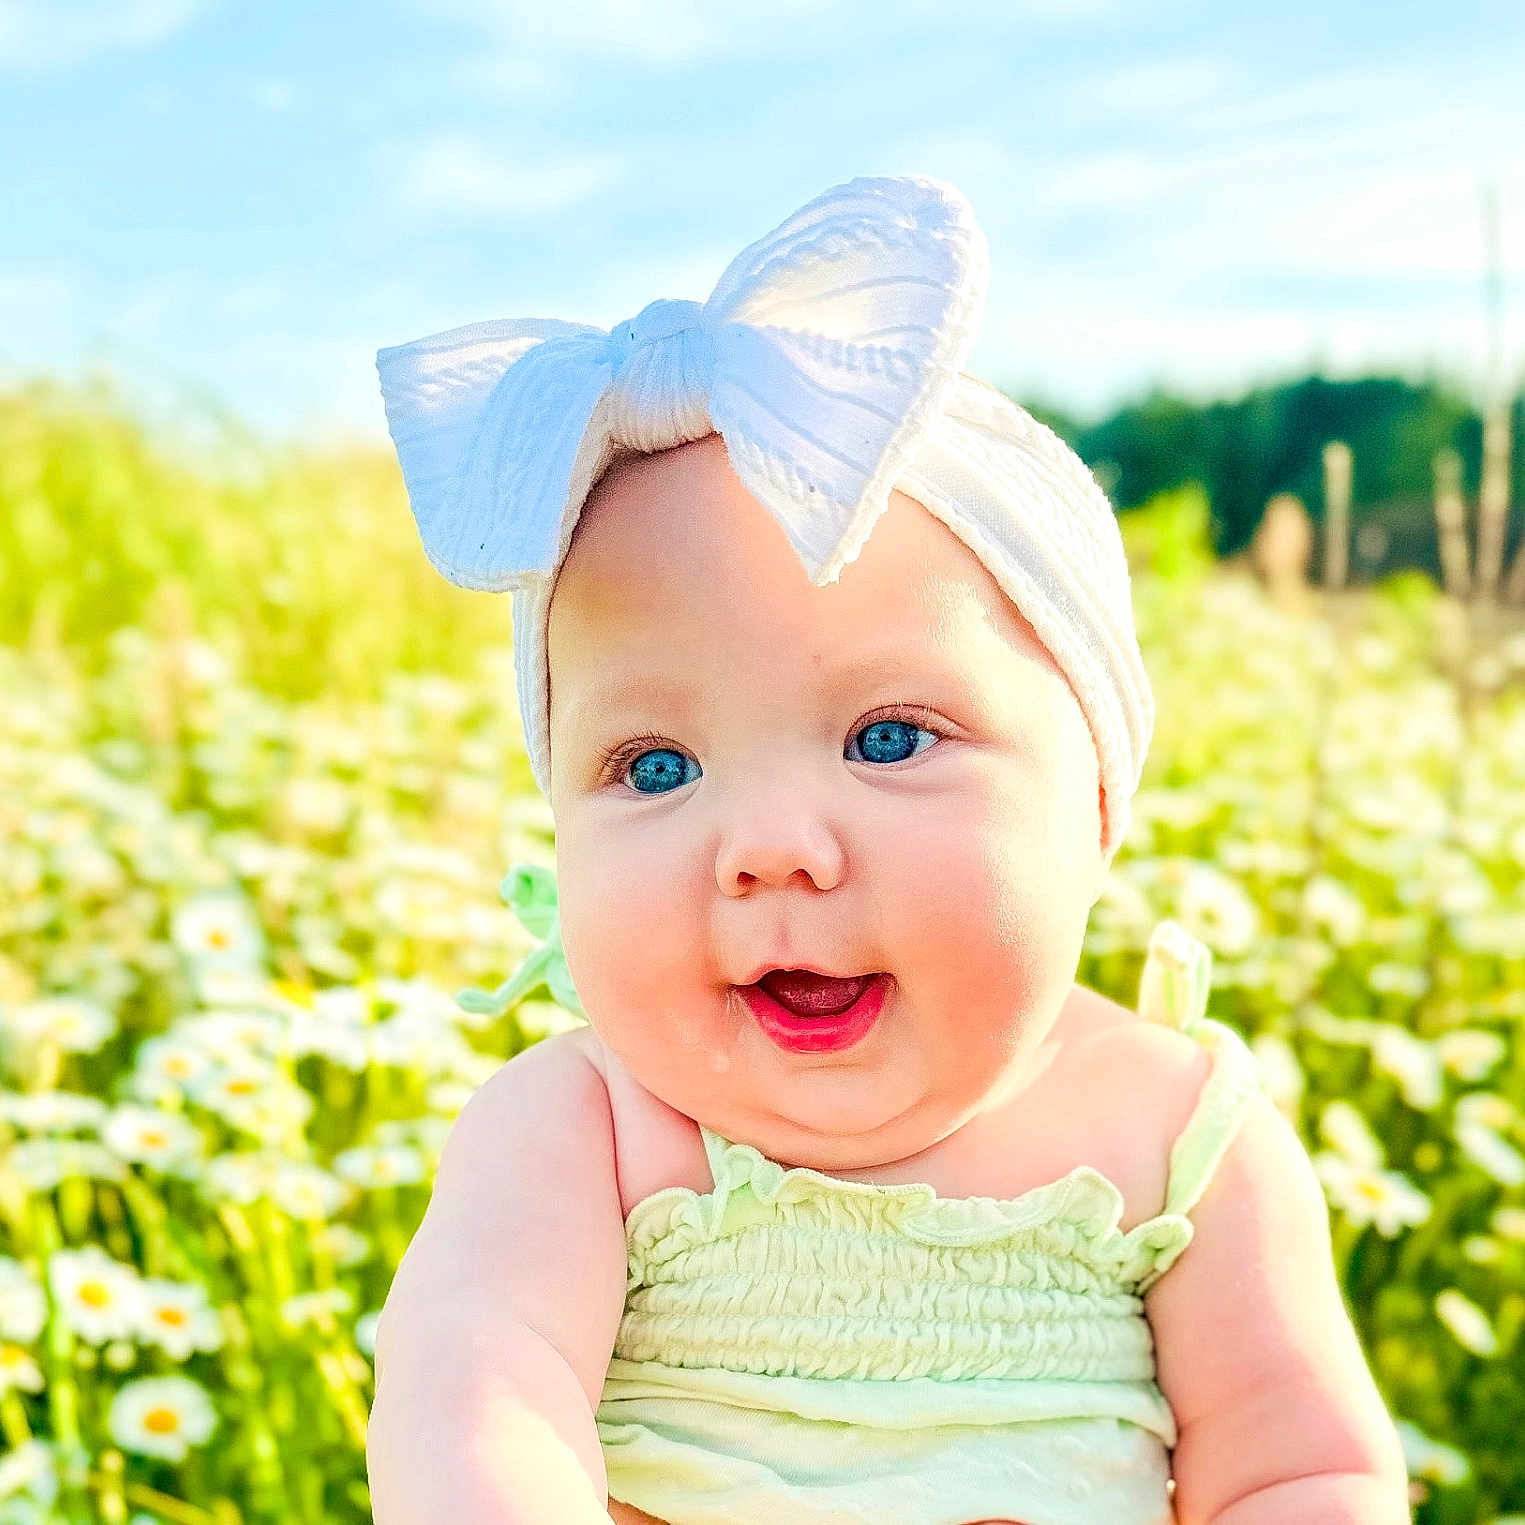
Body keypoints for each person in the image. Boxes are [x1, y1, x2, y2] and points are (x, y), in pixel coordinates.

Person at [363, 176, 1409, 1525]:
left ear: (1096, 803)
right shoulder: (578, 1131)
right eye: (655, 766)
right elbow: (474, 1412)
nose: (771, 850)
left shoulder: (1177, 1137)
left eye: (889, 738)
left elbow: (1301, 1468)